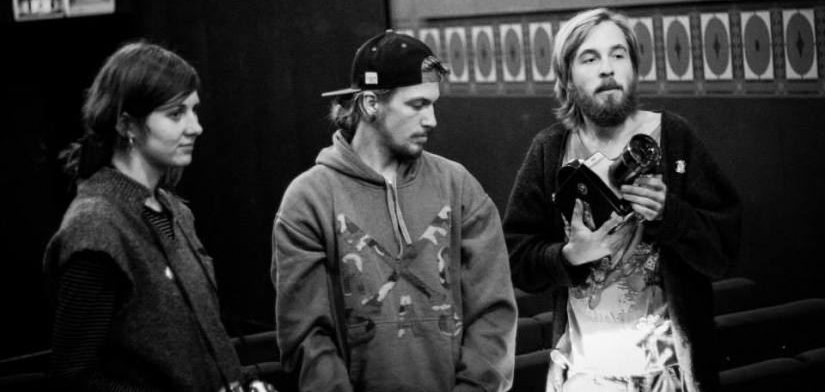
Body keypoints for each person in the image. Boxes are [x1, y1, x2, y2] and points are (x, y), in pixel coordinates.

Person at [502, 8, 742, 392]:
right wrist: (569, 256)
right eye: (590, 58)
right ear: (567, 77)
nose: (607, 69)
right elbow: (516, 258)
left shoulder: (673, 136)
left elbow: (724, 251)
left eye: (618, 55)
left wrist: (669, 215)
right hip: (585, 374)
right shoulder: (550, 149)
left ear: (633, 67)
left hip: (671, 374)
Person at [271, 30, 517, 392]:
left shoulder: (459, 186)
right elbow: (306, 337)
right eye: (417, 105)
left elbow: (493, 313)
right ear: (372, 103)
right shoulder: (309, 198)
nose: (431, 120)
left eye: (433, 104)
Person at [43, 41, 248, 391]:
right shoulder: (95, 225)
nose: (196, 126)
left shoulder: (172, 209)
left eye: (194, 110)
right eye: (176, 114)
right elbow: (74, 376)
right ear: (128, 125)